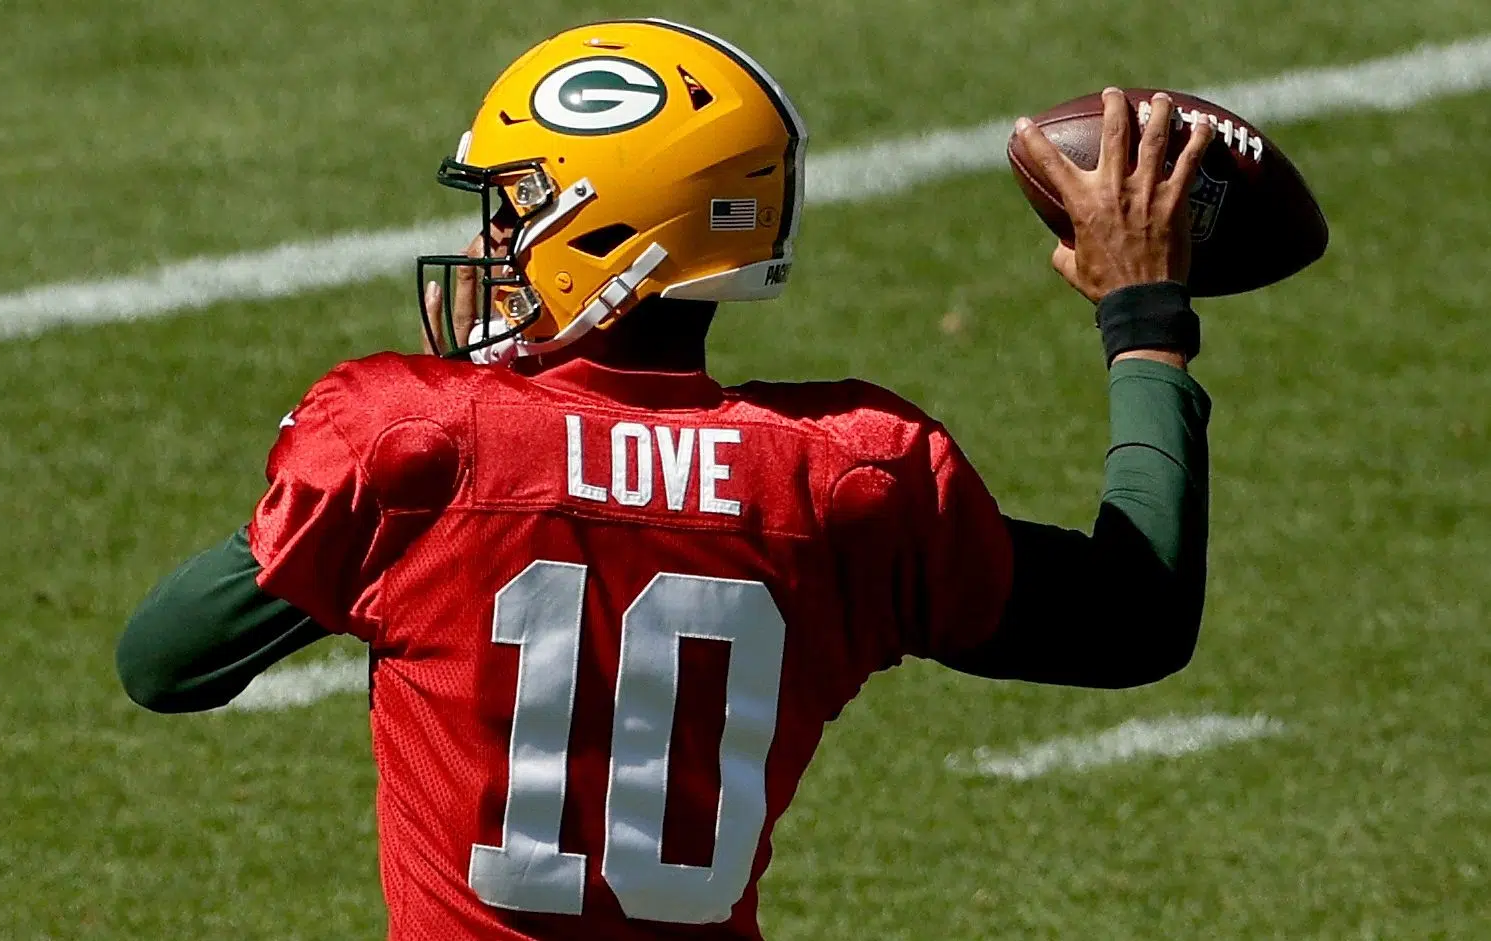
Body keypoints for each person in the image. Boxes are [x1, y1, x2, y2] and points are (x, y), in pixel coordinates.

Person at [116, 17, 1216, 941]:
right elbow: (1134, 620)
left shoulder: (414, 446)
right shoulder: (851, 477)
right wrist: (1145, 325)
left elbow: (164, 660)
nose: (490, 239)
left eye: (511, 208)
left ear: (603, 229)